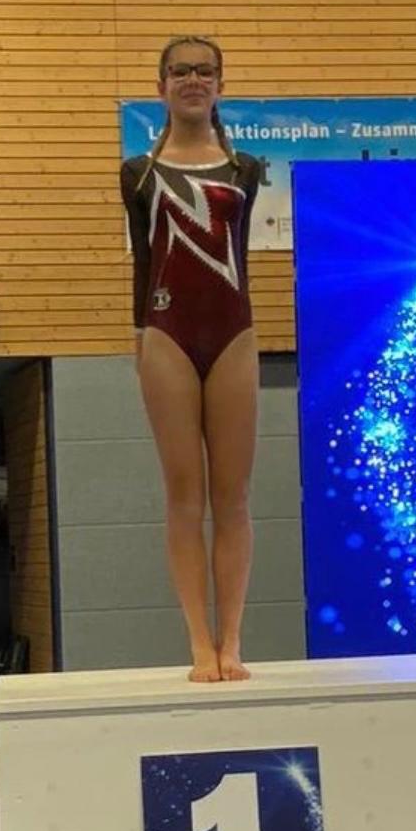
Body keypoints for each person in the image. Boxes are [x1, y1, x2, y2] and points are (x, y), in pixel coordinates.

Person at [120, 36, 262, 683]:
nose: (193, 80)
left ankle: (232, 640)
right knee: (184, 494)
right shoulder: (138, 172)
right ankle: (199, 642)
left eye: (205, 72)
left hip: (233, 331)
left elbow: (241, 261)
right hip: (165, 332)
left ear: (221, 86)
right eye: (180, 72)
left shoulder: (243, 169)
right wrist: (138, 338)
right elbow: (142, 262)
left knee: (232, 496)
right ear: (161, 87)